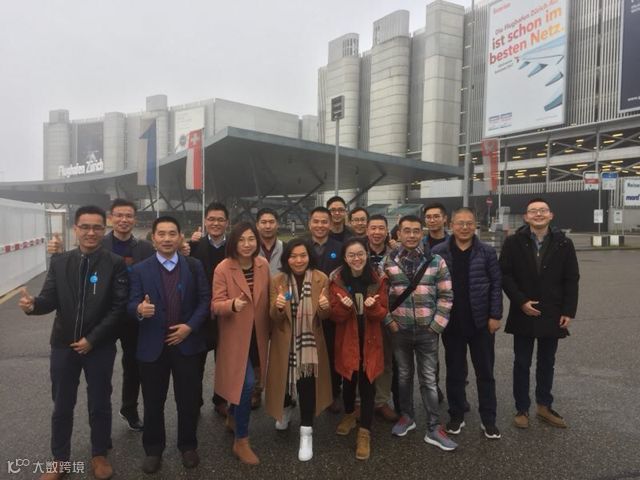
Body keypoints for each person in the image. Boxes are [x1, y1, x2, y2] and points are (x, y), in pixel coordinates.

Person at [20, 205, 129, 480]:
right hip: (63, 345)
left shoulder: (115, 263)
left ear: (104, 229)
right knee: (62, 404)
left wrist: (92, 339)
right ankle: (60, 459)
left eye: (97, 227)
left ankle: (99, 454)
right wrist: (33, 305)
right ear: (75, 229)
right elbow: (49, 299)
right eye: (85, 227)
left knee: (99, 402)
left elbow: (118, 308)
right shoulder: (60, 262)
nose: (91, 232)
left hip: (99, 346)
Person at [47, 199, 155, 432]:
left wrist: (187, 249)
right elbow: (74, 266)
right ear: (111, 219)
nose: (124, 220)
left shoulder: (145, 249)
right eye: (119, 215)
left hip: (133, 316)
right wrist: (56, 252)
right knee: (98, 373)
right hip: (101, 318)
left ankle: (129, 409)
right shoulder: (97, 242)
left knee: (133, 365)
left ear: (135, 219)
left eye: (129, 215)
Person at [127, 216, 210, 474]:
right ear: (153, 239)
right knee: (153, 402)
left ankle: (188, 446)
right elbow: (130, 303)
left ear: (180, 237)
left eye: (172, 233)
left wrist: (189, 327)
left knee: (188, 400)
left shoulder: (193, 266)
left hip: (186, 343)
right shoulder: (140, 270)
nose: (166, 238)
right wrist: (139, 309)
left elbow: (205, 300)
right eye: (161, 234)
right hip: (153, 346)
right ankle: (153, 450)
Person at [499, 198, 579, 429]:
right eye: (533, 211)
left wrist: (568, 310)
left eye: (543, 210)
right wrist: (521, 301)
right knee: (521, 362)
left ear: (551, 215)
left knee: (547, 362)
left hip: (552, 312)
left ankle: (544, 406)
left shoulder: (564, 243)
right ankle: (522, 408)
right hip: (523, 310)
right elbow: (505, 275)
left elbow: (571, 278)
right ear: (526, 217)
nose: (538, 214)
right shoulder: (513, 242)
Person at [381, 215, 457, 451]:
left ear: (421, 233)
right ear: (399, 234)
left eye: (416, 231)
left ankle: (434, 426)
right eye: (407, 230)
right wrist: (389, 322)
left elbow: (446, 295)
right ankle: (407, 416)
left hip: (427, 330)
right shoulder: (387, 262)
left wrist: (436, 325)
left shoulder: (436, 261)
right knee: (403, 376)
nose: (412, 235)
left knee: (429, 379)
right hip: (399, 330)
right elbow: (379, 298)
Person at [432, 208, 503, 440]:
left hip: (481, 323)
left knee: (485, 372)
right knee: (454, 372)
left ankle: (488, 419)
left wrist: (495, 315)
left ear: (475, 225)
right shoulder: (439, 252)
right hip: (451, 322)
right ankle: (456, 415)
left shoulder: (487, 252)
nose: (464, 227)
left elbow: (496, 285)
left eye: (469, 223)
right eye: (460, 223)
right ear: (451, 225)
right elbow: (432, 285)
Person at [264, 238, 333, 461]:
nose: (298, 260)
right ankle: (285, 409)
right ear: (287, 259)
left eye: (303, 255)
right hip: (285, 341)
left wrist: (325, 308)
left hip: (309, 343)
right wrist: (277, 308)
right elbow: (273, 317)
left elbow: (325, 316)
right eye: (293, 256)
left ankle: (306, 432)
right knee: (284, 379)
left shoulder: (321, 278)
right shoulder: (278, 280)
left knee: (306, 384)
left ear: (309, 257)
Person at [212, 222, 271, 465]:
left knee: (253, 380)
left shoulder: (263, 265)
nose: (247, 244)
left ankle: (233, 416)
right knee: (246, 385)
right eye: (241, 240)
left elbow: (268, 296)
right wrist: (232, 305)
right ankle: (241, 440)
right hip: (235, 336)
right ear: (233, 243)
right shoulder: (224, 267)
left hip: (258, 334)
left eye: (251, 239)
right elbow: (216, 304)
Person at [329, 238, 388, 460]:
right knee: (348, 380)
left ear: (367, 254)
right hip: (347, 340)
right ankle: (349, 414)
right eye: (351, 255)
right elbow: (334, 316)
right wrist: (343, 309)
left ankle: (365, 431)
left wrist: (373, 308)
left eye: (360, 254)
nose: (357, 259)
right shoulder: (337, 280)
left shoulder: (377, 278)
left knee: (367, 383)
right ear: (345, 258)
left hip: (370, 340)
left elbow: (382, 313)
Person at [188, 202, 230, 416]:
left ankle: (221, 400)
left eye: (220, 219)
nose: (216, 223)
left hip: (226, 312)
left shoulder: (234, 247)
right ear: (205, 221)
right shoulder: (193, 246)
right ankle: (195, 402)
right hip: (200, 312)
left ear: (227, 223)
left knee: (224, 361)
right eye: (211, 219)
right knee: (197, 362)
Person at [307, 206, 343, 412]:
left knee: (331, 352)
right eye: (316, 221)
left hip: (332, 309)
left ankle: (333, 393)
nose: (320, 225)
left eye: (324, 222)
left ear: (330, 224)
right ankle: (309, 393)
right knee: (308, 352)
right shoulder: (301, 246)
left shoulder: (340, 248)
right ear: (309, 223)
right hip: (305, 308)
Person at [366, 214, 399, 422]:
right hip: (362, 312)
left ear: (387, 231)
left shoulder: (396, 254)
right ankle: (361, 401)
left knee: (387, 358)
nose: (377, 232)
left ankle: (381, 401)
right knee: (362, 357)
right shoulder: (357, 251)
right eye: (373, 228)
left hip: (389, 312)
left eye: (381, 228)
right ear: (367, 230)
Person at [256, 207, 284, 276]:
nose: (268, 226)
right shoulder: (250, 250)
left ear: (278, 225)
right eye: (263, 222)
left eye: (271, 222)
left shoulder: (286, 249)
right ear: (257, 225)